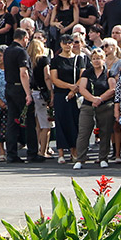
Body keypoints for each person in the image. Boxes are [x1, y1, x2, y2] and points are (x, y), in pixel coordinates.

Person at [2, 27, 39, 163]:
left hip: (9, 87)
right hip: (20, 89)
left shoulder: (7, 51)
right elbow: (23, 73)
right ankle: (32, 153)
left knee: (12, 121)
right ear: (24, 38)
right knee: (29, 122)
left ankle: (11, 153)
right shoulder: (21, 52)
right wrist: (28, 94)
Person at [75, 48, 116, 169]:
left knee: (105, 132)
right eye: (93, 59)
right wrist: (93, 99)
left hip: (105, 106)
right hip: (88, 106)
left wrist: (100, 99)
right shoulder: (87, 73)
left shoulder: (109, 73)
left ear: (104, 60)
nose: (96, 61)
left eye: (98, 58)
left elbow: (112, 89)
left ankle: (103, 157)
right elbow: (82, 88)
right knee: (84, 132)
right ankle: (80, 159)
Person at [50, 34, 86, 164]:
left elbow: (83, 76)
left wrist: (73, 90)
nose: (67, 45)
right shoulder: (55, 60)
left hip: (75, 95)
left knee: (74, 123)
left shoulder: (79, 59)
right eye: (64, 42)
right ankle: (60, 152)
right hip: (61, 94)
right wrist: (69, 87)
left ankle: (74, 151)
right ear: (60, 44)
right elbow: (54, 79)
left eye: (70, 42)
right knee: (60, 123)